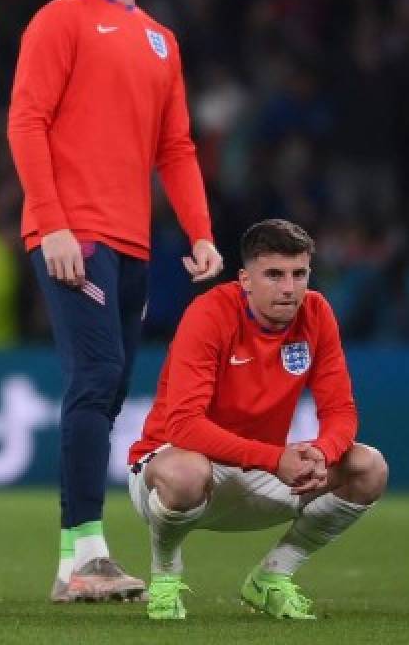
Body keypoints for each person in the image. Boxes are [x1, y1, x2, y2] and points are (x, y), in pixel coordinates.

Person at [7, 0, 223, 602]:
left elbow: (176, 146)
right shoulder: (60, 19)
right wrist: (52, 220)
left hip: (132, 241)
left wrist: (199, 231)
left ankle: (75, 561)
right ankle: (85, 556)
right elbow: (27, 121)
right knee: (95, 378)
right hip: (75, 234)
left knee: (108, 391)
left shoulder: (162, 40)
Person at [127, 219, 387, 620]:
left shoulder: (317, 313)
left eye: (299, 274)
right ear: (245, 280)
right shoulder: (209, 313)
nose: (289, 287)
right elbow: (183, 425)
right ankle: (164, 576)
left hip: (260, 472)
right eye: (274, 275)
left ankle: (272, 577)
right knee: (185, 472)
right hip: (179, 468)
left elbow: (339, 410)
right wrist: (273, 459)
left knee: (368, 467)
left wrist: (323, 450)